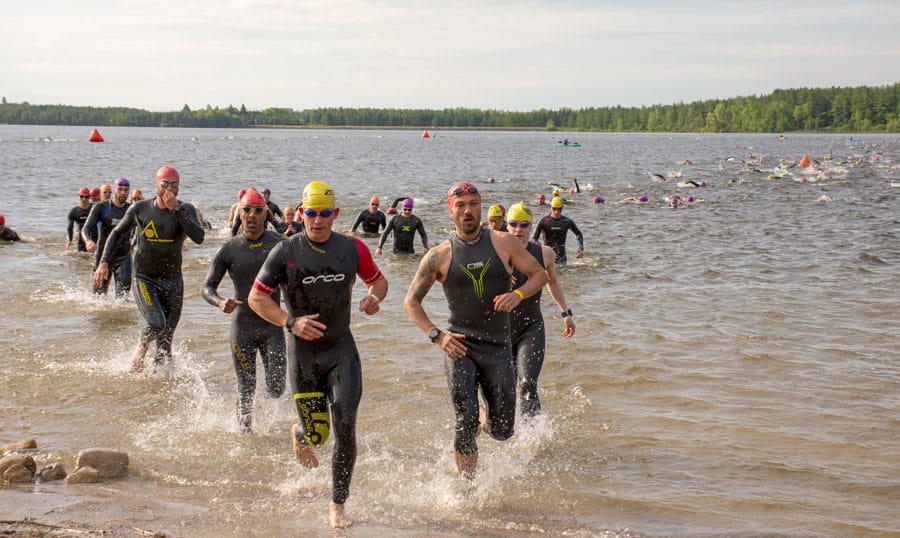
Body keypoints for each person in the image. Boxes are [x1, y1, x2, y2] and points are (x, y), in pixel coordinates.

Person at [248, 180, 387, 529]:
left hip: (341, 350)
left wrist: (374, 297)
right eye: (311, 213)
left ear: (335, 213)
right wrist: (290, 322)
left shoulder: (352, 248)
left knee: (346, 426)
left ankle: (338, 504)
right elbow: (256, 298)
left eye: (325, 213)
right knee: (317, 436)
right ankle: (301, 433)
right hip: (304, 356)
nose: (318, 220)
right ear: (301, 212)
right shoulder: (285, 251)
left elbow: (379, 281)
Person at [402, 182, 547, 481]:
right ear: (450, 210)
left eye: (473, 204)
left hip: (498, 346)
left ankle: (484, 415)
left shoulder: (504, 243)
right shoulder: (439, 256)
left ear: (481, 206)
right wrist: (437, 335)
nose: (467, 211)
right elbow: (411, 303)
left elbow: (539, 274)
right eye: (460, 205)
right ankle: (467, 489)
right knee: (464, 421)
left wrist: (518, 295)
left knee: (503, 431)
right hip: (460, 346)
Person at [92, 165, 205, 372]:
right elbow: (117, 233)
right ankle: (141, 347)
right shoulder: (140, 209)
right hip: (145, 278)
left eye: (174, 185)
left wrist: (176, 209)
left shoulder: (185, 209)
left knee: (165, 342)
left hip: (173, 280)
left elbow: (199, 237)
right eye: (165, 184)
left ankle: (158, 380)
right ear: (156, 184)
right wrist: (104, 262)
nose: (169, 189)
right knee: (156, 323)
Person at [202, 188, 286, 432]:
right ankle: (245, 435)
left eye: (257, 210)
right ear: (239, 213)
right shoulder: (229, 249)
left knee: (277, 387)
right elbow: (207, 287)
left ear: (265, 214)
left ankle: (263, 418)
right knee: (246, 388)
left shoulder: (280, 244)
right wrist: (219, 302)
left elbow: (299, 276)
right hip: (242, 328)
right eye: (246, 210)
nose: (251, 215)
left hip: (272, 326)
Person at [505, 202, 575, 417]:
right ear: (506, 225)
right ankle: (504, 427)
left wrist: (565, 313)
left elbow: (552, 282)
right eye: (513, 224)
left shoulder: (544, 254)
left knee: (527, 382)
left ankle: (533, 433)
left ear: (531, 226)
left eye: (524, 224)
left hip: (531, 326)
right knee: (504, 387)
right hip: (500, 329)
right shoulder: (495, 254)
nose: (518, 229)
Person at [83, 177, 132, 297]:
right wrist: (88, 241)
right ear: (114, 190)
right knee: (99, 297)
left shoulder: (132, 209)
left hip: (123, 256)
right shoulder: (101, 208)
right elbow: (86, 228)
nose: (123, 193)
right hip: (103, 255)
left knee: (122, 298)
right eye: (120, 189)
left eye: (126, 190)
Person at [532, 196, 584, 264]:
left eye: (559, 209)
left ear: (562, 208)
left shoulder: (567, 221)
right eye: (554, 209)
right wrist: (539, 250)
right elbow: (534, 239)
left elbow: (578, 234)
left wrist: (580, 248)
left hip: (562, 257)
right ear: (551, 207)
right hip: (547, 256)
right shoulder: (543, 221)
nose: (556, 212)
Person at [66, 187, 92, 252]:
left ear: (90, 197)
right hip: (80, 236)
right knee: (81, 253)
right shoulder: (73, 211)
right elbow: (69, 227)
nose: (84, 199)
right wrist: (69, 240)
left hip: (92, 234)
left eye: (86, 197)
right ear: (78, 196)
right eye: (81, 196)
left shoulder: (94, 208)